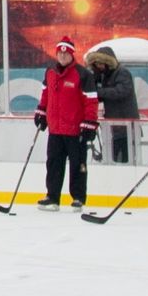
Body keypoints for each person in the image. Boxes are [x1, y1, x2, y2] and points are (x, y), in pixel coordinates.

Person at [33, 38, 99, 209]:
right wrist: (41, 112)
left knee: (78, 164)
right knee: (54, 163)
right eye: (60, 53)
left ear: (71, 54)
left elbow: (91, 101)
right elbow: (45, 95)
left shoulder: (83, 74)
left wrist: (89, 123)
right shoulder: (50, 72)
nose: (62, 56)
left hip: (75, 129)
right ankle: (52, 197)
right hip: (55, 128)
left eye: (66, 53)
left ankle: (78, 198)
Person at [84, 45, 137, 165]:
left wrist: (98, 91)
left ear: (108, 63)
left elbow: (121, 92)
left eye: (100, 64)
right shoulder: (106, 76)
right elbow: (103, 96)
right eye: (96, 65)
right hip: (116, 127)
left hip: (126, 126)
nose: (99, 67)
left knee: (124, 160)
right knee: (116, 159)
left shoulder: (122, 73)